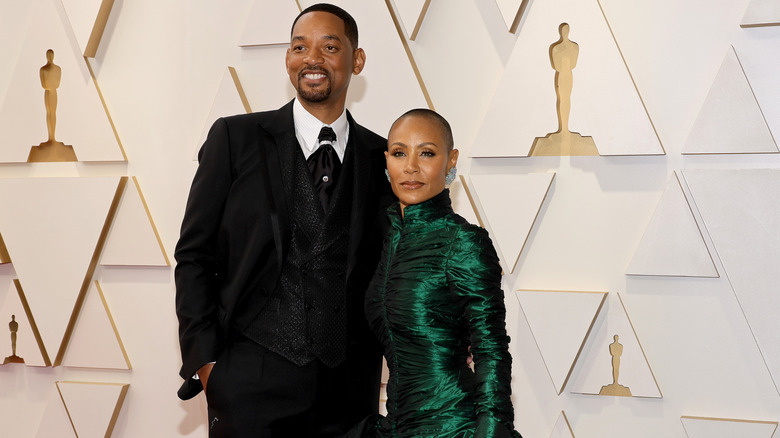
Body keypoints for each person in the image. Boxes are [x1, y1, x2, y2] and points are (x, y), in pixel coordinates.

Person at [175, 4, 392, 437]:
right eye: (299, 47)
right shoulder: (235, 139)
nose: (312, 59)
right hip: (248, 386)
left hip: (350, 395)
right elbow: (195, 254)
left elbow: (399, 270)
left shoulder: (382, 157)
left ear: (357, 59)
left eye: (329, 46)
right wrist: (207, 364)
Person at [347, 109, 521, 437]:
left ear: (451, 160)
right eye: (400, 153)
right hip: (397, 425)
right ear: (387, 161)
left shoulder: (463, 241)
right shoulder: (391, 241)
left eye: (426, 153)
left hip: (455, 426)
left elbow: (491, 349)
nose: (411, 166)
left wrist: (492, 432)